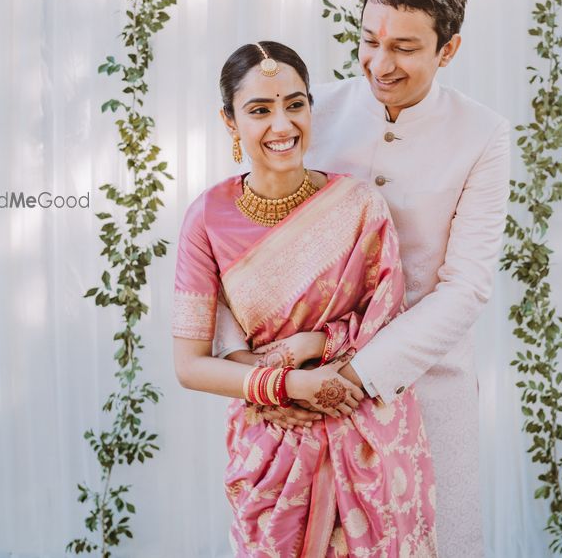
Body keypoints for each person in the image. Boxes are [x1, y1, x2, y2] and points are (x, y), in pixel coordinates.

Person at [215, 0, 510, 556]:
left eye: (403, 47)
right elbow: (240, 237)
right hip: (298, 385)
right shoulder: (305, 109)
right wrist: (264, 375)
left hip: (425, 384)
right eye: (368, 42)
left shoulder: (484, 134)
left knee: (438, 542)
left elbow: (467, 285)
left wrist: (353, 375)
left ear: (447, 50)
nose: (380, 63)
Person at [172, 41, 437, 557]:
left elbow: (387, 323)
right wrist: (286, 386)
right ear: (229, 121)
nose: (282, 125)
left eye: (295, 104)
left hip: (367, 432)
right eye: (259, 110)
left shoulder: (359, 205)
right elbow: (189, 365)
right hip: (272, 439)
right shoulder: (207, 218)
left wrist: (317, 344)